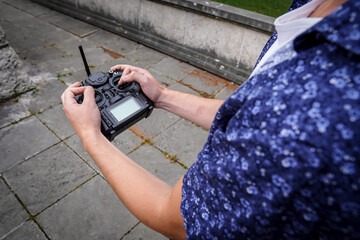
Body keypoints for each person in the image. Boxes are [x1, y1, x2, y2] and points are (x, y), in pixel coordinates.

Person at [61, 0, 360, 239]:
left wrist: (91, 135)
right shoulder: (315, 9)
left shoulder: (315, 120)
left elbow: (177, 219)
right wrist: (162, 96)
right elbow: (249, 113)